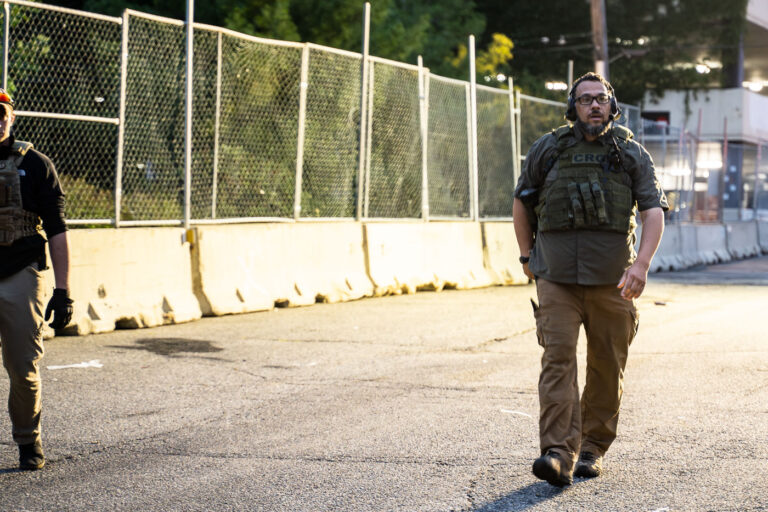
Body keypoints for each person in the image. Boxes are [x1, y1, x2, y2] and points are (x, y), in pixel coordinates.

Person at [512, 72, 667, 487]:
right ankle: (558, 453)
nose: (594, 105)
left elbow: (654, 211)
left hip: (615, 281)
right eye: (585, 100)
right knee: (557, 360)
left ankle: (593, 448)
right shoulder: (548, 148)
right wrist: (527, 254)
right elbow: (522, 200)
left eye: (600, 99)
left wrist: (642, 265)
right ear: (573, 107)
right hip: (556, 278)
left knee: (606, 365)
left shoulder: (632, 154)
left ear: (612, 106)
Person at [0, 88, 72, 470]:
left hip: (20, 271)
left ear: (12, 118)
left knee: (22, 366)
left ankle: (28, 441)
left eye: (1, 113)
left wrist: (63, 292)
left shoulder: (37, 164)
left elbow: (58, 229)